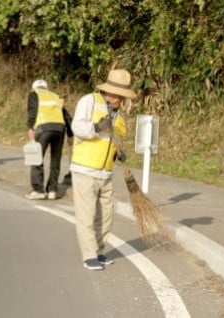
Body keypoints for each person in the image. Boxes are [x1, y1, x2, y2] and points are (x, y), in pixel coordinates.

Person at [70, 69, 136, 270]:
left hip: (105, 172)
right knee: (87, 215)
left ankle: (98, 251)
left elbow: (113, 140)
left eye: (121, 96)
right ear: (108, 91)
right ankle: (89, 255)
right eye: (116, 94)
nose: (118, 99)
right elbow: (77, 128)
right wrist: (96, 127)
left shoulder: (119, 116)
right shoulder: (89, 101)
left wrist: (117, 153)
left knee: (107, 215)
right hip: (85, 169)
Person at [25, 79, 73, 200]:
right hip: (60, 129)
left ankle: (38, 190)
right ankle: (52, 190)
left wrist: (30, 128)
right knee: (55, 160)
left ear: (34, 86)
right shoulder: (54, 96)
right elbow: (66, 116)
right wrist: (70, 134)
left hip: (43, 127)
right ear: (46, 87)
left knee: (37, 157)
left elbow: (32, 111)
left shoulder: (34, 93)